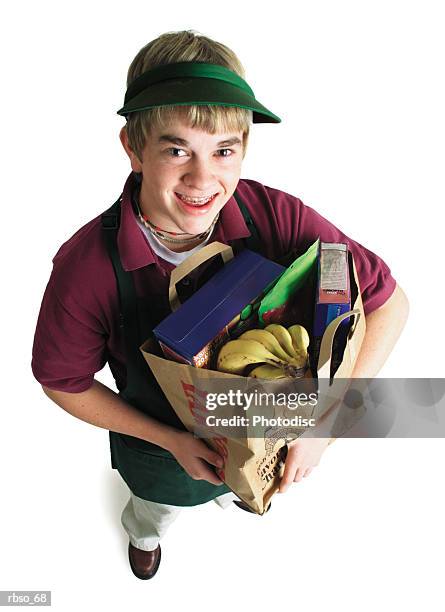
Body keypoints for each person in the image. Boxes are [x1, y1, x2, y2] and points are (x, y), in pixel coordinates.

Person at [31, 30, 409, 580]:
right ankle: (143, 532)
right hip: (161, 450)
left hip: (266, 430)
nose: (202, 179)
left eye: (223, 151)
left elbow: (389, 304)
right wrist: (170, 441)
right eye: (176, 149)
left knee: (237, 488)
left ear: (243, 151)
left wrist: (324, 421)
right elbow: (61, 381)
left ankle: (234, 493)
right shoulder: (87, 266)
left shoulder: (277, 216)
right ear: (133, 148)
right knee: (158, 508)